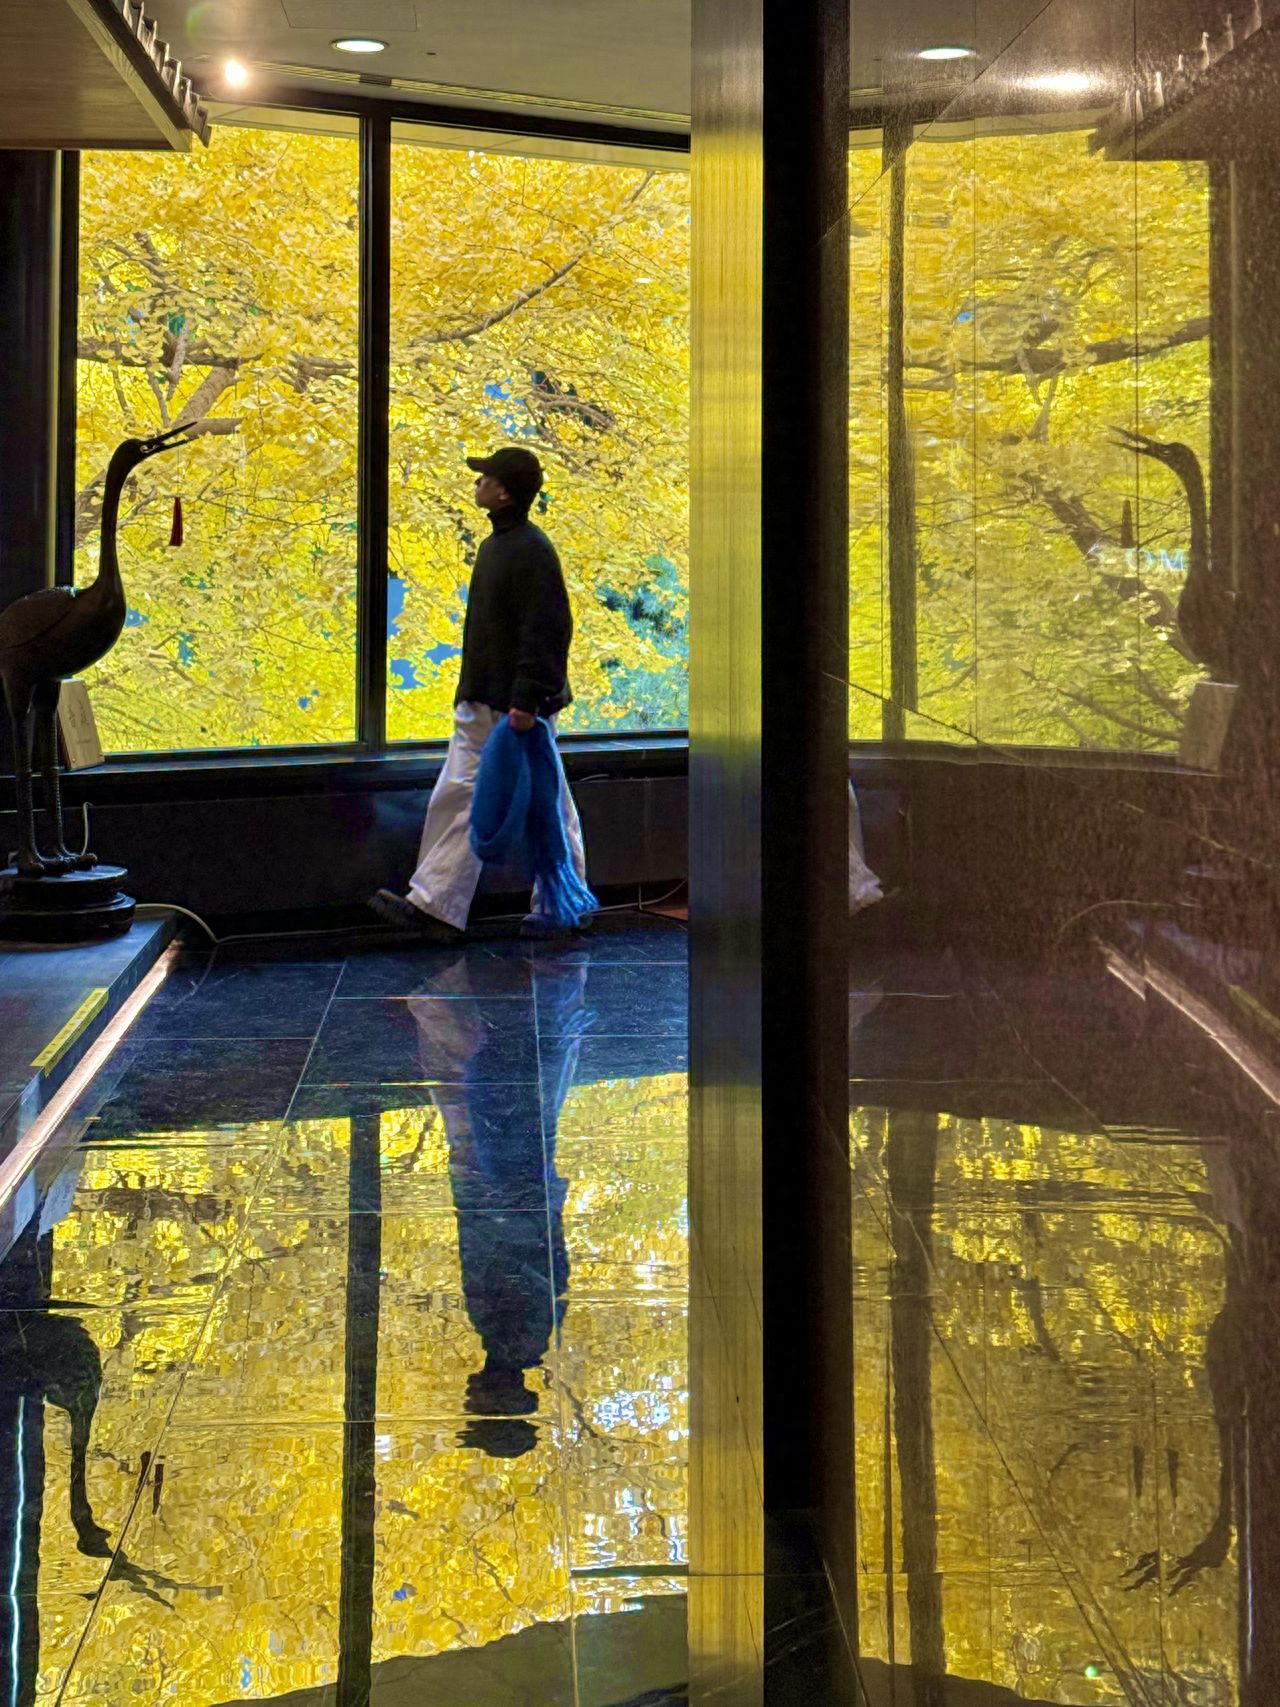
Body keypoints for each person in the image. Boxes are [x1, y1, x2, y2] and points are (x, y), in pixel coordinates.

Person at [370, 446, 588, 942]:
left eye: (484, 478)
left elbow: (548, 630)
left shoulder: (526, 549)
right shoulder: (511, 546)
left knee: (474, 793)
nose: (477, 484)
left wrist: (525, 702)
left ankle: (438, 905)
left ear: (504, 491)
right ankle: (562, 904)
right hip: (497, 702)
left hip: (505, 705)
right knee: (541, 799)